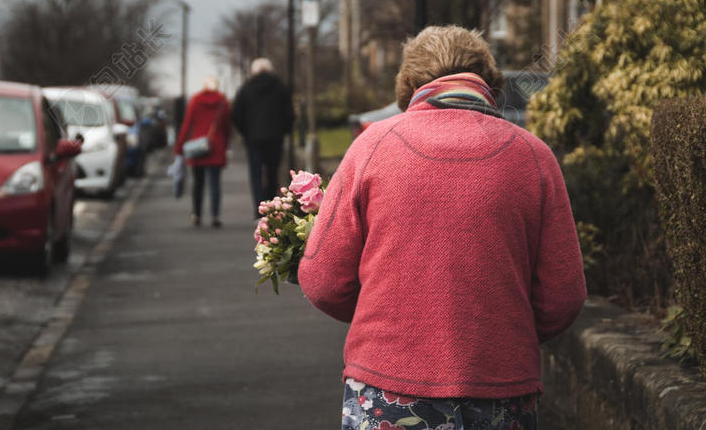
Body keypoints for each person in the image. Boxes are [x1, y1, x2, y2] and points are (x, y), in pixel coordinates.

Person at [298, 26, 586, 430]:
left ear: (411, 84)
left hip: (389, 389)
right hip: (501, 389)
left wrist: (385, 315)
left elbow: (323, 279)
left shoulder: (372, 147)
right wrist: (501, 330)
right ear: (488, 82)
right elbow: (563, 296)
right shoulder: (534, 157)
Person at [232, 57, 294, 216]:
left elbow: (236, 114)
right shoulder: (280, 87)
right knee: (272, 172)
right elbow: (290, 114)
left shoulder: (246, 88)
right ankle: (271, 207)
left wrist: (245, 132)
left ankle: (259, 209)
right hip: (275, 137)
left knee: (256, 173)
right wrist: (283, 130)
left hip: (253, 138)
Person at [174, 76, 230, 228]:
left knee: (198, 183)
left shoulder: (195, 100)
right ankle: (215, 215)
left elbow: (187, 124)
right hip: (216, 146)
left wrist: (179, 146)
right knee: (215, 183)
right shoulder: (223, 101)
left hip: (198, 147)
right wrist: (225, 144)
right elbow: (226, 126)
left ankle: (197, 214)